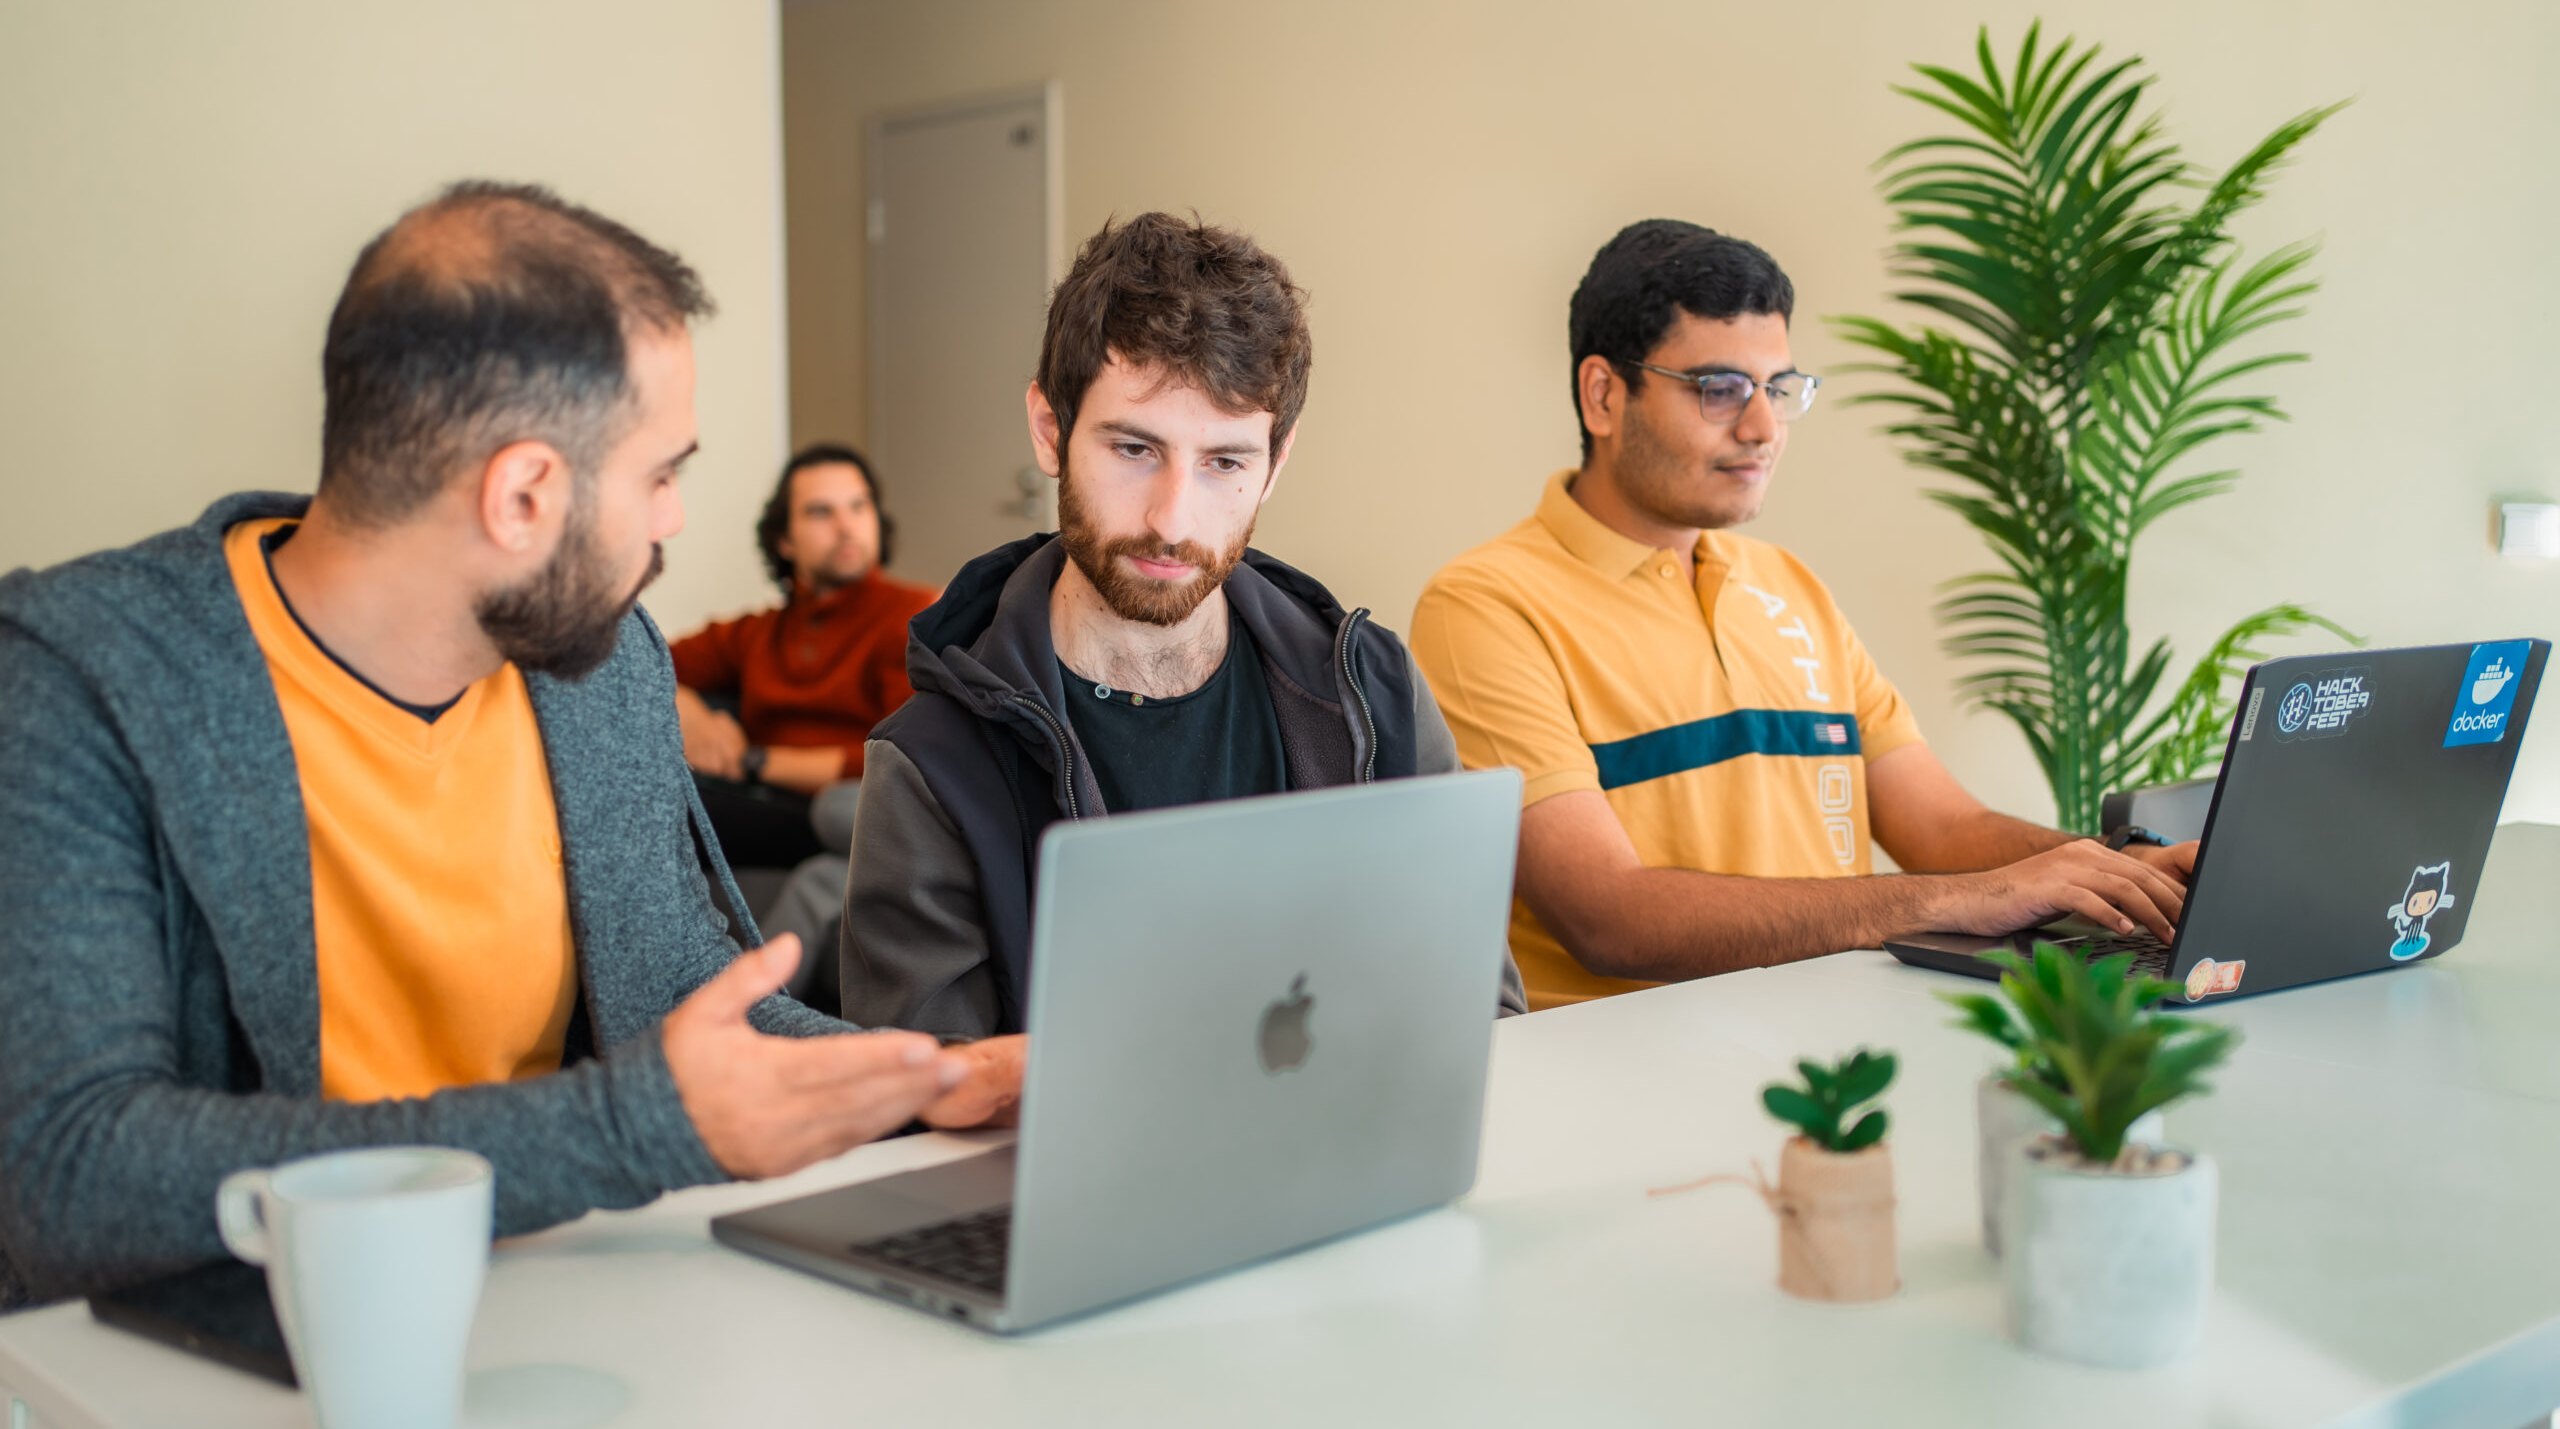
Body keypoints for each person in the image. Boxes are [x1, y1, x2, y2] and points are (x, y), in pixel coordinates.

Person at [0, 182, 1015, 1311]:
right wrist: (626, 1129)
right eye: (661, 474)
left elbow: (678, 993)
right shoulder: (78, 680)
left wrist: (929, 1080)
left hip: (570, 1310)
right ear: (525, 493)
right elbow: (70, 1176)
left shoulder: (600, 665)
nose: (675, 519)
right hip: (255, 1347)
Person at [1409, 220, 2195, 1011]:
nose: (1763, 428)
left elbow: (1945, 829)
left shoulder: (1788, 585)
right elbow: (1608, 915)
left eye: (1779, 388)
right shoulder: (1485, 606)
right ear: (1604, 395)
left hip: (1832, 1059)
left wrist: (2115, 870)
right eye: (1719, 390)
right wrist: (1940, 901)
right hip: (1627, 1080)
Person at [841, 212, 1526, 1052]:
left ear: (1276, 463)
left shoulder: (1373, 694)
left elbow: (1481, 1016)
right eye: (1134, 448)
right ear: (1050, 430)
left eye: (1225, 462)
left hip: (1361, 1172)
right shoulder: (935, 764)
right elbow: (923, 1116)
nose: (1174, 517)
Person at [670, 445, 937, 1006]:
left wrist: (755, 761)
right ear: (784, 541)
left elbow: (905, 756)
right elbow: (647, 658)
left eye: (858, 507)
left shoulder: (911, 616)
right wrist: (693, 714)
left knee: (841, 811)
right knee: (658, 791)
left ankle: (740, 1020)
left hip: (851, 803)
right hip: (772, 811)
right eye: (821, 512)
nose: (846, 525)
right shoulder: (761, 632)